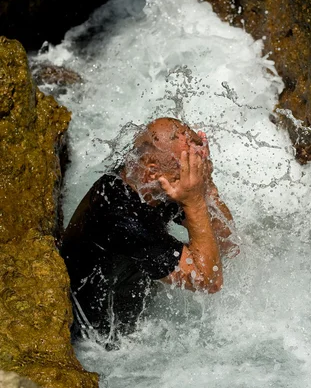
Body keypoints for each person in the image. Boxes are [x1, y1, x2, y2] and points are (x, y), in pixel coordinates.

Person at [61, 117, 238, 340]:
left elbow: (228, 244)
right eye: (186, 162)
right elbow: (209, 281)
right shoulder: (122, 218)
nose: (191, 169)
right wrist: (195, 201)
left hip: (127, 295)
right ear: (153, 171)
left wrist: (207, 186)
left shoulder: (154, 182)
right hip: (94, 338)